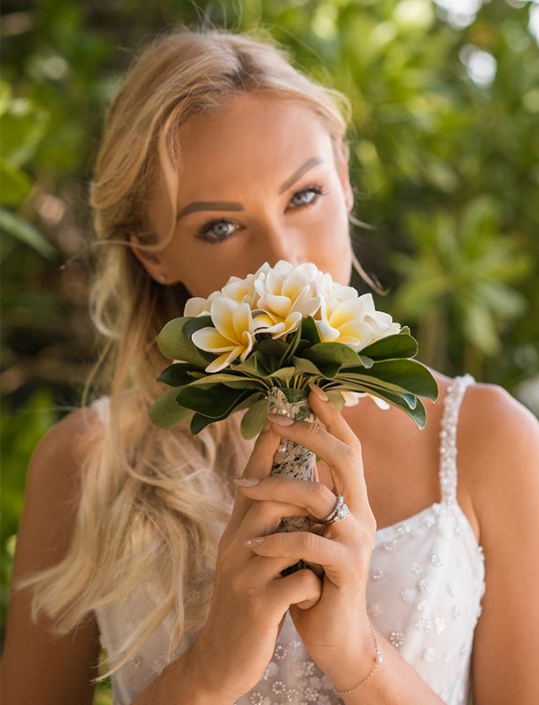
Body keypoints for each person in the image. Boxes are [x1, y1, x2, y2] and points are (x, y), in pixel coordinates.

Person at [2, 26, 538, 705]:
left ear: (344, 184)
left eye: (303, 196)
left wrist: (358, 655)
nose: (281, 255)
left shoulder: (490, 439)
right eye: (219, 228)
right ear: (152, 252)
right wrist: (210, 670)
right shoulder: (83, 463)